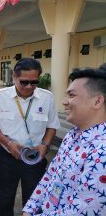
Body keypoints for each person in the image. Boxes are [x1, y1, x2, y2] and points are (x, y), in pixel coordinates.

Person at [23, 65, 106, 215]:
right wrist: (29, 209)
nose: (64, 102)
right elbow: (50, 175)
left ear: (97, 101)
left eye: (71, 95)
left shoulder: (102, 152)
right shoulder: (72, 135)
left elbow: (81, 211)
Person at [0, 58, 60, 216]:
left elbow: (52, 125)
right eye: (24, 82)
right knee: (5, 199)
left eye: (34, 82)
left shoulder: (47, 97)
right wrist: (8, 143)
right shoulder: (0, 96)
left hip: (35, 158)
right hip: (7, 157)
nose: (29, 87)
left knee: (34, 200)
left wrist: (45, 146)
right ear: (14, 77)